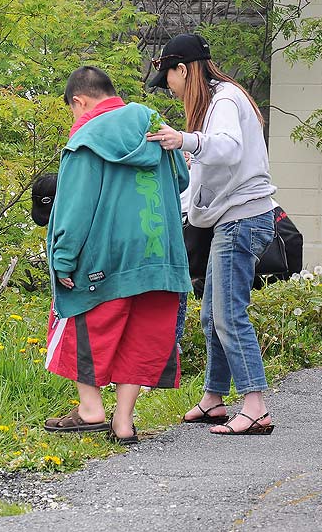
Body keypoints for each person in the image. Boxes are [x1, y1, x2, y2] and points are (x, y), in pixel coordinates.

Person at [43, 66, 192, 445]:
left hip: (104, 255)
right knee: (143, 334)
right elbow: (182, 180)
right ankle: (123, 423)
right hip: (161, 251)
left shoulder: (86, 140)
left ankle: (91, 408)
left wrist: (63, 258)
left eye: (72, 110)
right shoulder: (153, 124)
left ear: (80, 101)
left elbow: (75, 208)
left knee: (84, 323)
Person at [147, 33, 277, 435]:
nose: (168, 86)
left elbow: (227, 149)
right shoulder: (218, 102)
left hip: (242, 219)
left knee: (228, 313)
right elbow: (208, 168)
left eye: (168, 76)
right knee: (210, 314)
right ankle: (213, 399)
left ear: (183, 69)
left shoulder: (223, 99)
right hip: (234, 219)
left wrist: (183, 139)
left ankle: (254, 405)